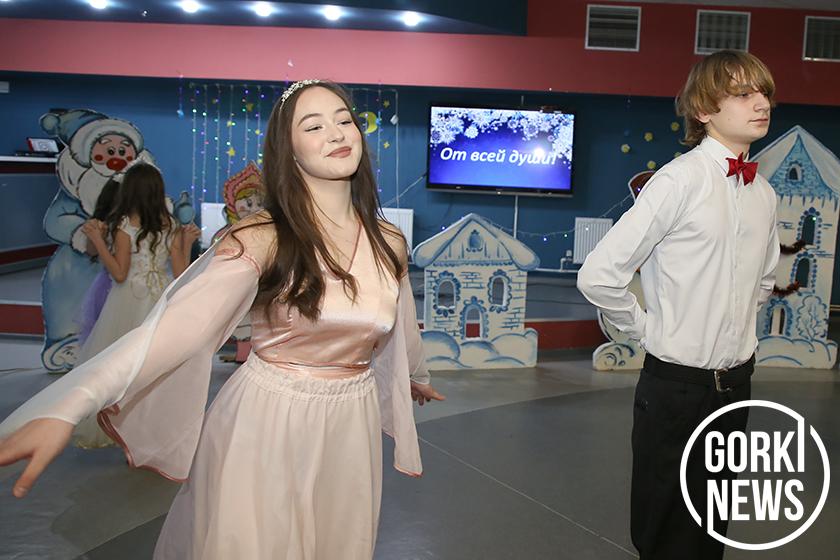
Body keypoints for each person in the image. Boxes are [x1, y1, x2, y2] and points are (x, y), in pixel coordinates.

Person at [0, 79, 444, 559]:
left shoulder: (388, 240)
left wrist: (415, 376)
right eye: (314, 126)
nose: (336, 133)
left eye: (344, 121)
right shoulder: (262, 237)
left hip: (350, 424)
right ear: (289, 151)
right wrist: (68, 405)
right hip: (269, 420)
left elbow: (399, 320)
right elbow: (170, 333)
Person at [577, 50, 779, 560]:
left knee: (712, 532)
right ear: (703, 109)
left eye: (764, 93)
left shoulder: (764, 193)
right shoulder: (677, 181)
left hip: (736, 388)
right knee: (666, 535)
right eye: (743, 94)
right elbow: (599, 276)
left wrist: (734, 329)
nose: (761, 103)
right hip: (676, 390)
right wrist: (649, 332)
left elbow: (763, 281)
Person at [71, 163, 200, 448]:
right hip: (160, 301)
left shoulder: (125, 226)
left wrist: (97, 241)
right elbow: (181, 275)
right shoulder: (170, 225)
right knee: (153, 370)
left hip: (129, 300)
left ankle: (118, 427)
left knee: (119, 369)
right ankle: (149, 429)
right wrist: (187, 244)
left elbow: (119, 274)